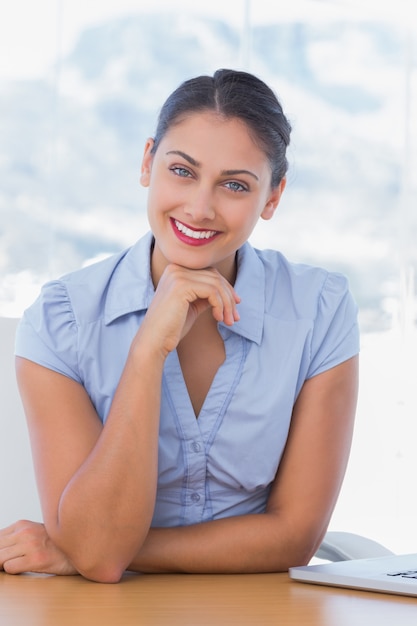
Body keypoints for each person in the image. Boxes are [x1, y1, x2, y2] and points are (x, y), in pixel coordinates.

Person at [0, 69, 359, 583]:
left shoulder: (319, 311)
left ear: (273, 197)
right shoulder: (62, 321)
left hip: (259, 611)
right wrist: (149, 349)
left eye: (235, 185)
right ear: (148, 162)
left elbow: (294, 537)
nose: (200, 207)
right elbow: (99, 559)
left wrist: (90, 547)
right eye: (182, 171)